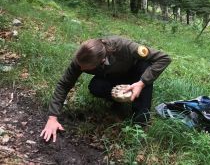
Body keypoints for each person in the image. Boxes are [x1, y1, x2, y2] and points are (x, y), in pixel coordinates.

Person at [40, 36, 171, 142]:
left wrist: (142, 83)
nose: (80, 70)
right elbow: (64, 84)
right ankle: (119, 101)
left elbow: (164, 58)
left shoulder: (125, 47)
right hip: (115, 76)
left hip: (136, 75)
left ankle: (140, 123)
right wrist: (52, 118)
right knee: (95, 86)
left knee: (144, 67)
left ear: (101, 61)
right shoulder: (81, 59)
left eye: (85, 68)